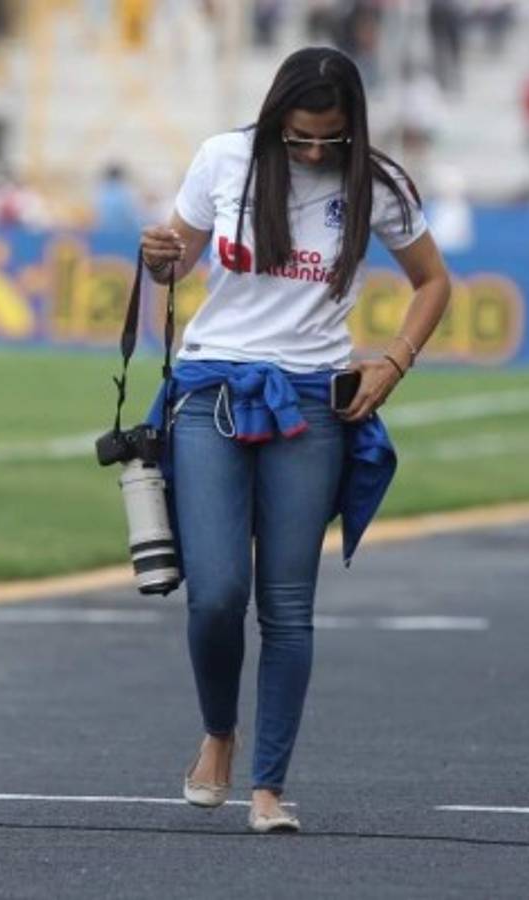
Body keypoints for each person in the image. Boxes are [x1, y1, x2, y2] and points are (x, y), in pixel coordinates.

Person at [139, 46, 450, 834]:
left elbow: (433, 282)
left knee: (288, 605)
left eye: (331, 139)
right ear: (278, 117)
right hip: (212, 386)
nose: (315, 152)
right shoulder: (224, 158)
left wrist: (395, 362)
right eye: (302, 136)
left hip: (312, 402)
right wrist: (161, 259)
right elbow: (175, 266)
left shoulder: (376, 184)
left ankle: (270, 787)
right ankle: (218, 733)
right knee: (215, 595)